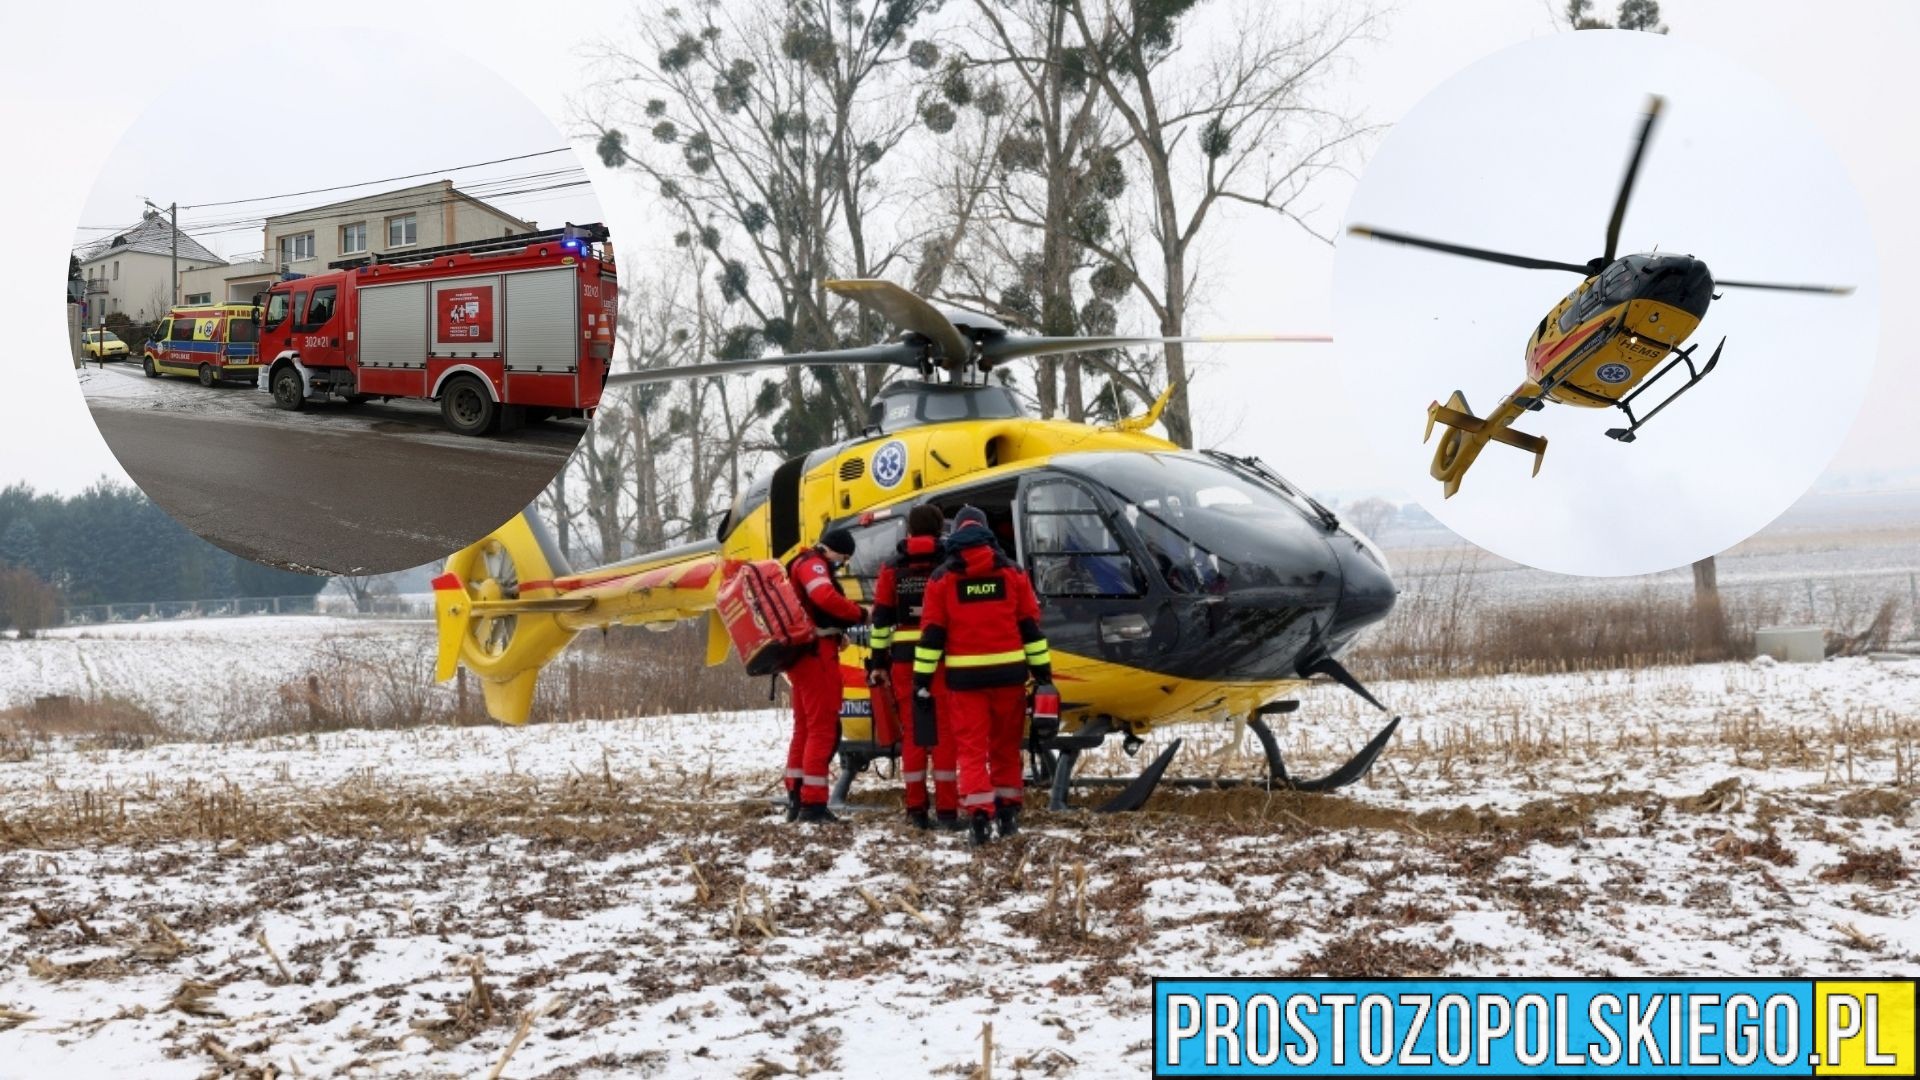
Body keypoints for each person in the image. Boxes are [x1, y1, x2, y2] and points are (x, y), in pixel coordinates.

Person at [913, 505, 1052, 845]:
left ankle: (978, 816)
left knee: (971, 751)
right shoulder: (1013, 574)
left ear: (956, 533)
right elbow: (1031, 629)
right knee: (1005, 747)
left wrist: (921, 679)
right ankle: (1007, 814)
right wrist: (1043, 675)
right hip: (1009, 679)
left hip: (965, 682)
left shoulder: (941, 579)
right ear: (987, 532)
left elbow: (931, 637)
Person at [868, 505, 962, 831]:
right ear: (939, 529)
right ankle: (949, 811)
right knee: (945, 733)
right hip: (943, 657)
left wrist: (878, 662)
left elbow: (880, 622)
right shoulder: (950, 564)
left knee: (913, 733)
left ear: (909, 530)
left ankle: (916, 810)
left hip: (904, 660)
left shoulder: (892, 568)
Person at [784, 528, 866, 825]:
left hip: (803, 656)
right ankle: (814, 804)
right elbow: (823, 596)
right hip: (817, 657)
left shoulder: (800, 562)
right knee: (823, 728)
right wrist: (858, 614)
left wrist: (837, 633)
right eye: (842, 560)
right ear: (833, 551)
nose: (840, 566)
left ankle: (796, 795)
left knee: (804, 728)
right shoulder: (814, 563)